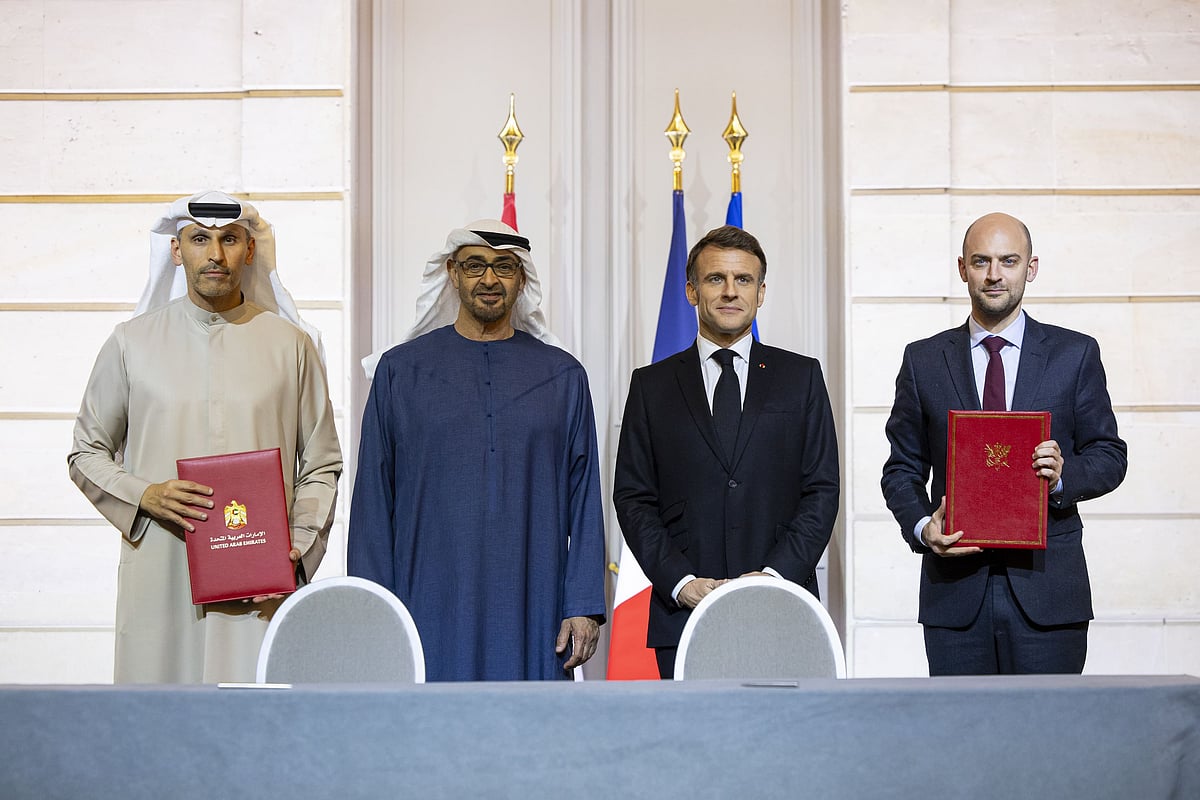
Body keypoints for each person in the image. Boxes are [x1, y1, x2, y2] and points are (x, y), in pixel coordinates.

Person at [68, 190, 342, 684]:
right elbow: (86, 451)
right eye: (199, 240)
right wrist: (144, 495)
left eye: (229, 240)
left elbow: (321, 464)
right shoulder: (131, 342)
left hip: (258, 582)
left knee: (252, 714)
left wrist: (297, 554)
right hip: (161, 569)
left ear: (250, 250)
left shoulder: (292, 346)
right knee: (157, 713)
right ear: (177, 250)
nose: (215, 254)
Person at [348, 220, 606, 681]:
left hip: (534, 606)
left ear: (521, 278)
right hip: (426, 602)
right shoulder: (400, 372)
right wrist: (373, 608)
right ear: (452, 273)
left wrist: (583, 604)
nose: (489, 280)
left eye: (504, 267)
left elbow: (585, 499)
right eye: (475, 266)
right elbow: (372, 499)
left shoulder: (562, 376)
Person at [881, 211, 1127, 675]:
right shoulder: (923, 360)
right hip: (955, 594)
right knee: (962, 723)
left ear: (1030, 268)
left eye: (1008, 261)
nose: (994, 274)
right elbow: (901, 469)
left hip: (1049, 592)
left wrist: (1063, 476)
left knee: (1047, 722)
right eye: (981, 261)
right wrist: (922, 527)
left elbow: (1110, 455)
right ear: (963, 269)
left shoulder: (1075, 354)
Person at [613, 225, 840, 679]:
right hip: (684, 613)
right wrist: (681, 582)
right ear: (691, 291)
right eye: (716, 278)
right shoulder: (651, 386)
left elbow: (821, 490)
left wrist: (774, 578)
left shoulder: (802, 377)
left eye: (744, 280)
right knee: (696, 728)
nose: (730, 291)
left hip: (782, 609)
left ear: (761, 292)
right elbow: (633, 497)